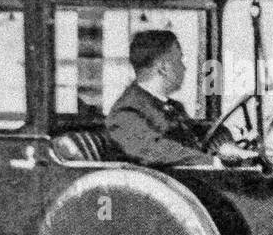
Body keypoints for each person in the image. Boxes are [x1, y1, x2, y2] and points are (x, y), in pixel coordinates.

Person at [107, 29, 257, 166]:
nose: (184, 67)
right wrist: (212, 161)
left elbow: (197, 130)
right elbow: (154, 150)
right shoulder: (125, 113)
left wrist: (225, 145)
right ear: (163, 68)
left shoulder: (171, 106)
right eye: (179, 59)